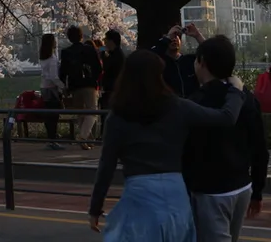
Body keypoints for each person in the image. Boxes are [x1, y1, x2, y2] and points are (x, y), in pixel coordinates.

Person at [88, 49, 245, 238]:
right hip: (176, 191)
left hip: (140, 193)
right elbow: (226, 118)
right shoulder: (177, 106)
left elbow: (107, 164)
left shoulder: (118, 115)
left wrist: (95, 207)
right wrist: (235, 91)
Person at [183, 35, 268, 242]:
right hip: (242, 186)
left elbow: (187, 151)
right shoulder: (245, 96)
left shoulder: (197, 101)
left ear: (202, 62)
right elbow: (259, 146)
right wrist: (257, 190)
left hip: (210, 191)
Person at [59, 26, 102, 150]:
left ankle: (88, 140)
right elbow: (98, 68)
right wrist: (94, 78)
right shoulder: (89, 49)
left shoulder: (66, 52)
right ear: (81, 36)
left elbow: (63, 72)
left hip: (74, 85)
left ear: (69, 37)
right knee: (92, 112)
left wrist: (64, 87)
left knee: (81, 114)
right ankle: (83, 137)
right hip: (89, 84)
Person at [154, 24, 204, 98]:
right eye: (170, 37)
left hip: (193, 105)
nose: (174, 39)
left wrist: (197, 35)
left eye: (176, 35)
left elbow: (210, 54)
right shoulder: (159, 63)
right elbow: (148, 56)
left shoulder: (190, 60)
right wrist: (167, 37)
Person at [39, 32, 65, 150]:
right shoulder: (52, 58)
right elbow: (54, 77)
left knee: (48, 115)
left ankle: (50, 139)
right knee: (54, 115)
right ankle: (53, 140)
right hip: (51, 89)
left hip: (44, 87)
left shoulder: (43, 57)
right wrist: (63, 86)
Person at [100, 30, 125, 110]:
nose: (104, 41)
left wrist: (103, 56)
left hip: (112, 89)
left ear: (111, 41)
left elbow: (107, 67)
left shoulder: (117, 55)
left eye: (106, 39)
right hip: (112, 88)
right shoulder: (115, 53)